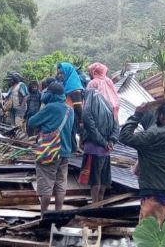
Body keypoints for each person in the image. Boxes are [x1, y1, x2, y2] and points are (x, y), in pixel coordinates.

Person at [120, 103, 165, 232]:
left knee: (149, 240)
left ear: (161, 116)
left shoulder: (153, 134)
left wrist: (137, 114)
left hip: (154, 196)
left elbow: (125, 136)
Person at [27, 82, 74, 213]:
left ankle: (44, 215)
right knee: (60, 184)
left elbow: (32, 122)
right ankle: (58, 213)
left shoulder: (51, 107)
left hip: (49, 152)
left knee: (46, 184)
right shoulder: (70, 110)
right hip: (65, 153)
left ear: (52, 95)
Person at [79, 88, 118, 202]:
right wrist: (111, 141)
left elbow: (90, 126)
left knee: (94, 179)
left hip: (93, 149)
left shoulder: (88, 108)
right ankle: (100, 202)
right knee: (104, 178)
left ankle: (95, 203)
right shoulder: (109, 107)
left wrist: (103, 142)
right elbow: (116, 126)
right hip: (106, 150)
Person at [57, 62, 84, 151]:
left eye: (62, 73)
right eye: (58, 73)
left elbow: (78, 106)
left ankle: (73, 151)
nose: (60, 75)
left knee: (71, 133)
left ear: (67, 73)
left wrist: (81, 120)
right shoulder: (67, 84)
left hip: (73, 115)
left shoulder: (74, 87)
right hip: (67, 113)